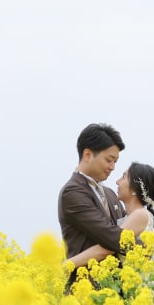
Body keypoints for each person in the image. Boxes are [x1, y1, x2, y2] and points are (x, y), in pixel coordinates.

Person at [57, 123, 128, 290]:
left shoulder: (110, 194)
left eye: (115, 161)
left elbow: (126, 228)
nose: (112, 167)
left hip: (115, 290)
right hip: (86, 291)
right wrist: (150, 250)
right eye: (109, 160)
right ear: (87, 155)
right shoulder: (73, 192)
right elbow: (111, 236)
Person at [66, 161, 154, 269]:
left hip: (142, 283)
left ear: (135, 188)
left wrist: (68, 264)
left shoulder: (140, 215)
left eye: (123, 177)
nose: (117, 182)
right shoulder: (129, 217)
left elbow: (107, 248)